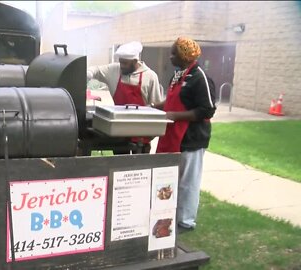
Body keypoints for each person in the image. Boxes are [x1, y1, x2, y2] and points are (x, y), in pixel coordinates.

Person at [153, 37, 216, 231]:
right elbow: (172, 100)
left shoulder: (200, 77)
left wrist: (173, 115)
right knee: (167, 178)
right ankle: (166, 213)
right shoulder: (178, 75)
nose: (170, 57)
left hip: (191, 138)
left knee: (188, 183)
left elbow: (207, 110)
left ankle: (186, 221)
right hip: (171, 136)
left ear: (185, 56)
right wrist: (153, 108)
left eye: (174, 53)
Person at [87, 41, 163, 153]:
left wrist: (151, 135)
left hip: (142, 134)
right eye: (120, 62)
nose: (121, 66)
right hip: (119, 133)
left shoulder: (150, 77)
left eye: (125, 63)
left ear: (135, 61)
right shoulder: (114, 70)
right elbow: (96, 70)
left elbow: (157, 108)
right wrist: (88, 73)